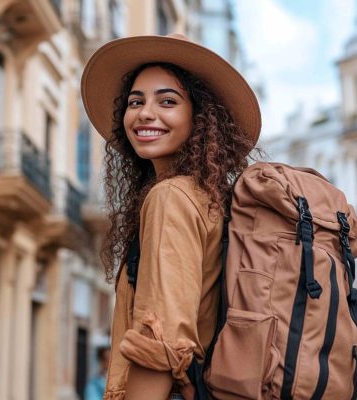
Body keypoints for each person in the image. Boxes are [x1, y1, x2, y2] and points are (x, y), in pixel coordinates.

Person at [81, 34, 261, 400]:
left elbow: (160, 343)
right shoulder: (210, 198)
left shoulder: (171, 197)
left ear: (200, 117)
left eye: (168, 101)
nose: (146, 113)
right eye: (136, 101)